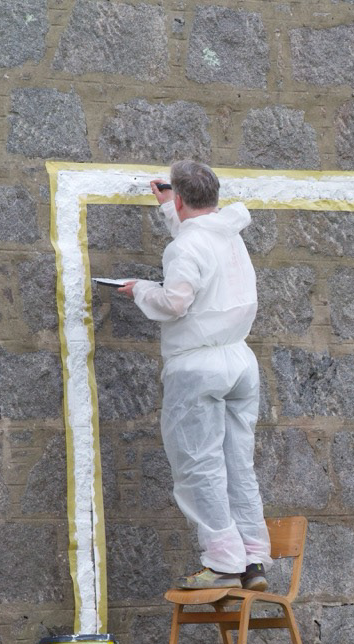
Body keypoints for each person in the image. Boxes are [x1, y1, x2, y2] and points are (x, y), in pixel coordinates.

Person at [117, 160, 270, 592]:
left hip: (197, 365)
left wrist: (140, 290)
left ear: (180, 197)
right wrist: (171, 209)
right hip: (240, 361)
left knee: (198, 464)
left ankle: (223, 562)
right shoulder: (229, 232)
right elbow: (197, 241)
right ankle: (253, 556)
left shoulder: (186, 247)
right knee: (237, 463)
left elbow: (175, 301)